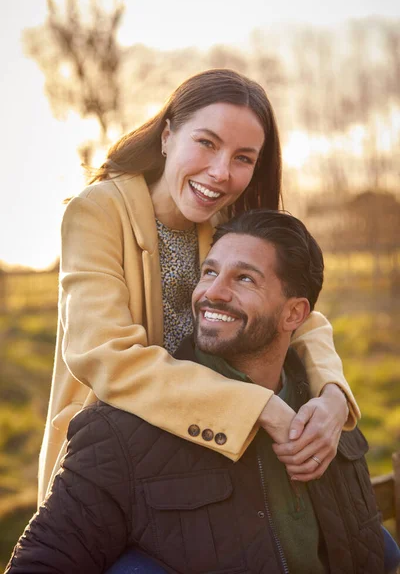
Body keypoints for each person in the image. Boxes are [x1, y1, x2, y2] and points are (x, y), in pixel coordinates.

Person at [38, 68, 359, 505]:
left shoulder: (228, 224)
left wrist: (334, 397)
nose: (221, 172)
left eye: (244, 158)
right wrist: (256, 407)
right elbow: (104, 355)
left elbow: (303, 317)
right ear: (168, 136)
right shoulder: (97, 211)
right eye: (206, 143)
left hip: (206, 457)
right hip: (110, 460)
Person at [7, 210, 386, 573]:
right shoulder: (119, 436)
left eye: (245, 279)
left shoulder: (327, 415)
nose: (212, 293)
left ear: (294, 315)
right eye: (209, 272)